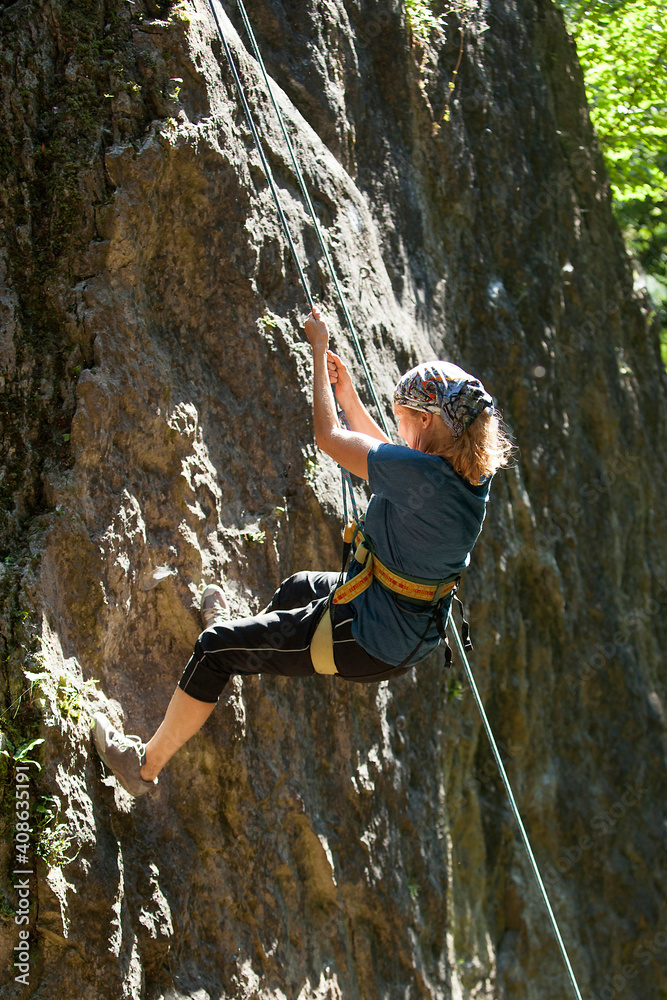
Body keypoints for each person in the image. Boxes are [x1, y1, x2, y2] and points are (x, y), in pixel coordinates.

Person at [93, 307, 513, 796]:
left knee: (212, 650)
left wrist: (316, 352)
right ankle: (242, 651)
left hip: (367, 635)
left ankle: (142, 768)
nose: (401, 432)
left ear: (427, 420)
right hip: (402, 629)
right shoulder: (466, 476)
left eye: (405, 422)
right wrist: (349, 395)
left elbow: (330, 439)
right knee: (295, 588)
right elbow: (393, 461)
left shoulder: (422, 473)